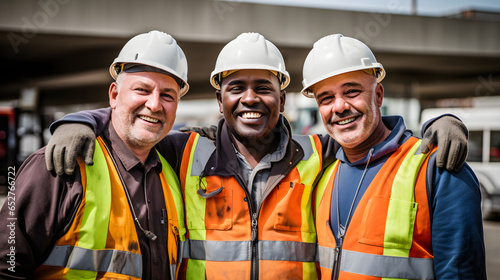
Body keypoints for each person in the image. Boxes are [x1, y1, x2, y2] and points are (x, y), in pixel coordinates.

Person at [44, 33, 469, 280]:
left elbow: (372, 136)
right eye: (237, 87)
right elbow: (138, 122)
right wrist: (81, 121)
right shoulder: (185, 151)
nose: (251, 98)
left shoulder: (318, 154)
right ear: (220, 99)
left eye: (263, 87)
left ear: (282, 99)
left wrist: (442, 122)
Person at [0, 30, 188, 279]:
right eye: (142, 90)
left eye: (167, 96)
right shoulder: (61, 167)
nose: (154, 105)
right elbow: (7, 267)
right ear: (113, 95)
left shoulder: (173, 174)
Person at [300, 34, 486, 279]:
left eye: (352, 91)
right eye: (326, 98)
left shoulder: (436, 169)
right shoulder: (322, 173)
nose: (339, 106)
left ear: (378, 95)